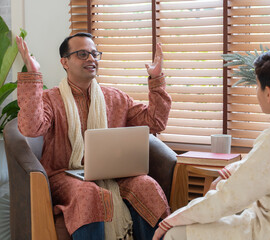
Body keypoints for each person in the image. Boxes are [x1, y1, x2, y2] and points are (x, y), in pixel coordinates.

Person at [153, 47, 270, 240]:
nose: (256, 91)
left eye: (257, 85)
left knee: (176, 234)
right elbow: (267, 163)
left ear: (269, 93)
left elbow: (229, 198)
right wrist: (229, 172)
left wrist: (172, 220)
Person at [16, 32, 172, 240]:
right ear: (65, 62)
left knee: (146, 186)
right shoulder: (51, 99)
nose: (91, 59)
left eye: (94, 54)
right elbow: (30, 128)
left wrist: (156, 79)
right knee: (88, 193)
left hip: (112, 174)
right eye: (82, 54)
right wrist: (33, 76)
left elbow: (155, 122)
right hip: (64, 176)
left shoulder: (115, 98)